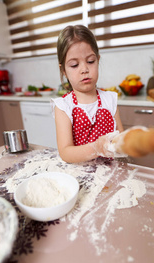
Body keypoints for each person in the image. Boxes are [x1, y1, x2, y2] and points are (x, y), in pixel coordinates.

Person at [51, 25, 124, 163]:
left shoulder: (110, 99)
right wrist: (96, 148)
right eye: (74, 65)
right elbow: (66, 152)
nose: (84, 69)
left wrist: (130, 142)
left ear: (98, 60)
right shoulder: (64, 106)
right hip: (79, 174)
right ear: (64, 71)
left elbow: (120, 140)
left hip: (109, 171)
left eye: (90, 61)